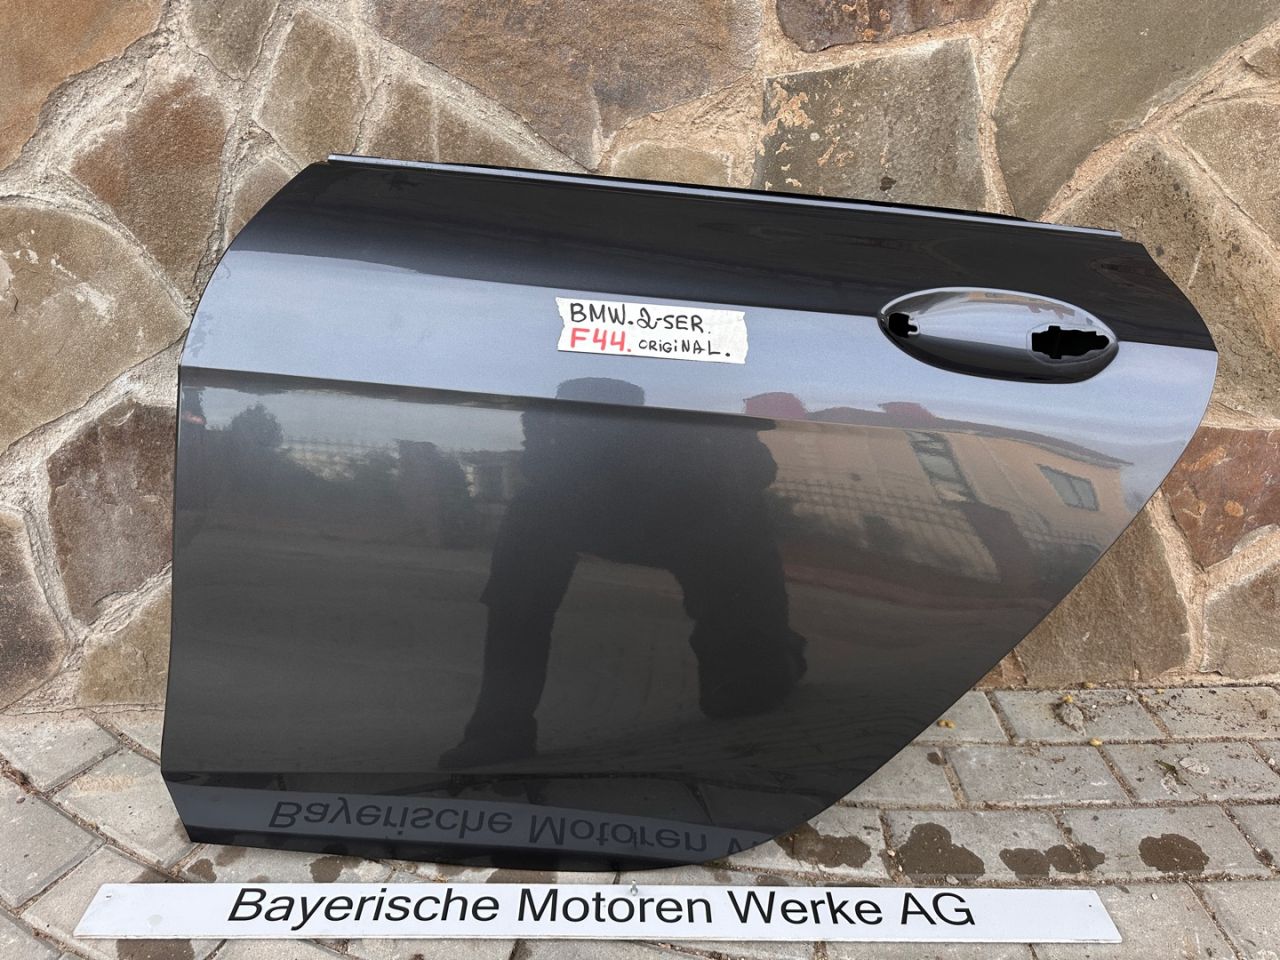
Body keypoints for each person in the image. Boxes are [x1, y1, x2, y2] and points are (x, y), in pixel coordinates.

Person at [440, 378, 806, 770]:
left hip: (706, 529)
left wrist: (691, 475)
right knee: (526, 540)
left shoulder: (694, 420)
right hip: (605, 515)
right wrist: (579, 469)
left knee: (737, 698)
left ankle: (779, 651)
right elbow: (536, 469)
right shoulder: (548, 432)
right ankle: (498, 726)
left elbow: (758, 471)